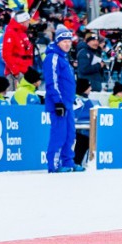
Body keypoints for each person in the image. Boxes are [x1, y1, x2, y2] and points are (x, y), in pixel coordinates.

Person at [45, 26, 82, 172]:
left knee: (70, 134)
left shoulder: (64, 58)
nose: (67, 44)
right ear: (58, 42)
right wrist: (58, 101)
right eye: (64, 41)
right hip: (58, 104)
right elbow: (51, 82)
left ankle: (68, 162)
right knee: (59, 134)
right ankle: (53, 165)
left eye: (69, 41)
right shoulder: (52, 57)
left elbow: (67, 82)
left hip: (67, 103)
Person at [2, 10, 34, 91]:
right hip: (16, 74)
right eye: (27, 21)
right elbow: (6, 54)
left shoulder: (22, 32)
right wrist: (15, 71)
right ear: (22, 21)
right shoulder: (11, 33)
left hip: (25, 72)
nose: (29, 23)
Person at [72, 79, 99, 167]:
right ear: (84, 88)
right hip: (80, 132)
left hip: (82, 131)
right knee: (84, 139)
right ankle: (77, 163)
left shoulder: (83, 100)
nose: (91, 88)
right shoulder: (80, 101)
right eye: (89, 87)